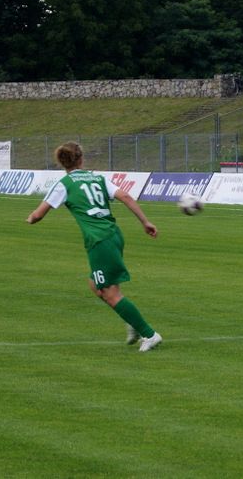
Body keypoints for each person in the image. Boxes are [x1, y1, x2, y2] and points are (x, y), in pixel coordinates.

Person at [26, 142, 163, 352]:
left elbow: (38, 215)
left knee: (109, 292)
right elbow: (125, 196)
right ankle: (133, 323)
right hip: (113, 235)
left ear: (62, 163)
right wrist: (145, 222)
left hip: (99, 240)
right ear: (81, 159)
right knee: (95, 285)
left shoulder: (65, 184)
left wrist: (30, 219)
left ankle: (149, 334)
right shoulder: (98, 178)